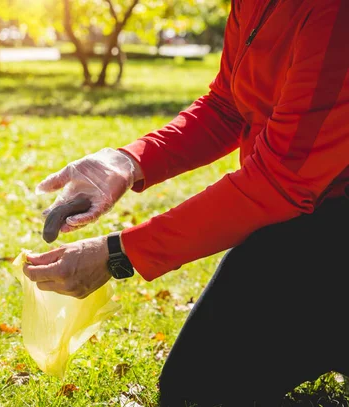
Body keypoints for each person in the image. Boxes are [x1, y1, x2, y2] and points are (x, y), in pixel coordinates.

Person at [21, 0, 349, 405]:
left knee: (203, 388)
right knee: (197, 384)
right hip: (305, 215)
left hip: (332, 219)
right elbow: (228, 104)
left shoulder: (333, 13)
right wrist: (127, 161)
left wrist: (117, 253)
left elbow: (281, 179)